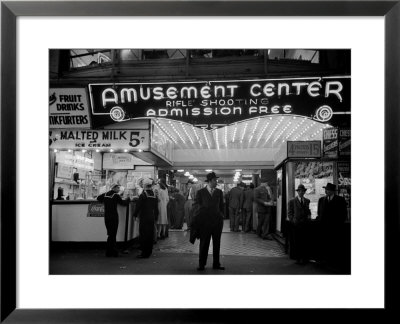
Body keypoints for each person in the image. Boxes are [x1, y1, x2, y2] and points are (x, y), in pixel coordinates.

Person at [191, 172, 225, 271]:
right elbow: (197, 206)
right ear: (210, 181)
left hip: (217, 222)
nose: (216, 182)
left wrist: (221, 216)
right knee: (204, 243)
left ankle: (216, 264)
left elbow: (222, 206)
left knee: (217, 243)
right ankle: (202, 264)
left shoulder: (219, 192)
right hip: (205, 223)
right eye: (215, 180)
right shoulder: (201, 192)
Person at [316, 182, 348, 269]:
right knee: (325, 246)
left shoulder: (340, 200)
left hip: (335, 229)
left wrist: (338, 225)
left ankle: (334, 264)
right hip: (324, 229)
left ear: (333, 191)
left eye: (328, 190)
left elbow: (343, 214)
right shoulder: (321, 200)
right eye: (326, 189)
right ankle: (325, 263)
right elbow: (319, 213)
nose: (326, 191)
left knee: (335, 247)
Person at [97, 183, 130, 257]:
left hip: (106, 216)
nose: (119, 189)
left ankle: (109, 251)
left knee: (110, 234)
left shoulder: (105, 194)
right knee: (113, 234)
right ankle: (112, 252)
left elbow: (98, 198)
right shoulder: (115, 195)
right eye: (118, 188)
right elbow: (123, 203)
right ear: (114, 188)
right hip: (114, 216)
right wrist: (128, 199)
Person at [133, 178, 159, 258]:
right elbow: (156, 208)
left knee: (144, 234)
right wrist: (156, 217)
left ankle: (144, 253)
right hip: (151, 217)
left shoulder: (143, 195)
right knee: (150, 235)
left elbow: (138, 206)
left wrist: (135, 215)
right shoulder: (154, 195)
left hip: (144, 217)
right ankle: (149, 251)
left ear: (144, 186)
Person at [287, 184, 311, 265]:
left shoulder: (307, 201)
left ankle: (304, 258)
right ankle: (297, 258)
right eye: (300, 191)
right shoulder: (292, 201)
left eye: (303, 191)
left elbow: (308, 211)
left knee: (304, 242)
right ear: (298, 192)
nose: (301, 192)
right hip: (296, 225)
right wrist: (293, 220)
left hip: (304, 224)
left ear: (304, 192)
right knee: (296, 242)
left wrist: (309, 217)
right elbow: (289, 213)